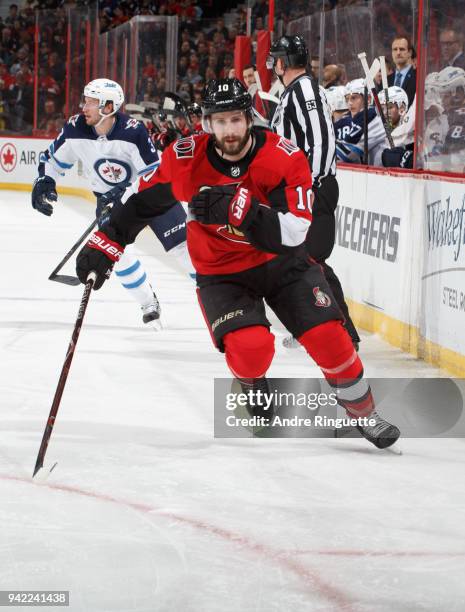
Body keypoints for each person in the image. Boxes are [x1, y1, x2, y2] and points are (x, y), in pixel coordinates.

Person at [75, 77, 400, 449]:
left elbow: (295, 232)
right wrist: (106, 244)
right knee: (251, 348)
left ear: (249, 119)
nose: (229, 130)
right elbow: (141, 204)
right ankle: (252, 384)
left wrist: (242, 212)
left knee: (330, 338)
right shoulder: (184, 159)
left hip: (282, 264)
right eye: (220, 121)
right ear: (207, 124)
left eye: (236, 120)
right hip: (222, 273)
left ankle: (364, 412)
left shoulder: (283, 156)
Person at [31, 78, 192, 327]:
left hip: (153, 195)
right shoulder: (75, 129)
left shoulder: (134, 131)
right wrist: (44, 181)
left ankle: (223, 295)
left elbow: (153, 172)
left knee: (184, 249)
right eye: (86, 100)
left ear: (108, 107)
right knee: (114, 256)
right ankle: (148, 301)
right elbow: (51, 160)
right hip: (108, 200)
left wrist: (126, 191)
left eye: (92, 102)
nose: (84, 107)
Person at [267, 35, 360, 350]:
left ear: (282, 62)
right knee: (298, 258)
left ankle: (344, 332)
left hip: (312, 188)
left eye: (275, 59)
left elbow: (319, 140)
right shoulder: (293, 92)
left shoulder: (304, 89)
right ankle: (316, 323)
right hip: (303, 189)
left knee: (310, 258)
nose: (273, 66)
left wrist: (309, 184)